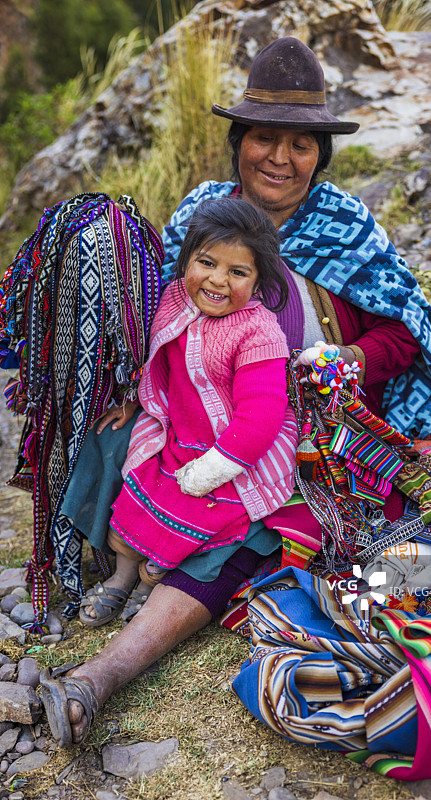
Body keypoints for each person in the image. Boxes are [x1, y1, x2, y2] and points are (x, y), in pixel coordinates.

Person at [40, 36, 431, 747]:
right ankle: (121, 565)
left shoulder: (344, 228)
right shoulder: (203, 219)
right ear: (239, 142)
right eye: (265, 138)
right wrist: (131, 389)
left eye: (301, 145)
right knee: (111, 443)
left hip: (300, 431)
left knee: (258, 518)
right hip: (193, 418)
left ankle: (104, 671)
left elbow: (405, 332)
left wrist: (345, 357)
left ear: (320, 156)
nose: (280, 159)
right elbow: (157, 316)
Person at [78, 197, 298, 626]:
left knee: (196, 512)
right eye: (207, 262)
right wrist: (134, 398)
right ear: (187, 260)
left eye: (238, 272)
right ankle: (122, 578)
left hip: (233, 450)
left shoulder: (257, 332)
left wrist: (212, 469)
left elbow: (261, 418)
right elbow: (151, 359)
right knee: (139, 495)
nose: (218, 281)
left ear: (258, 281)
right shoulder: (174, 298)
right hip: (178, 434)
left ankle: (149, 583)